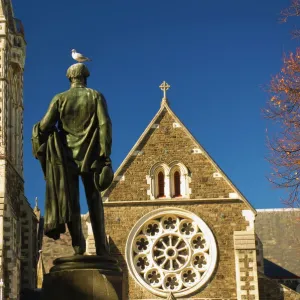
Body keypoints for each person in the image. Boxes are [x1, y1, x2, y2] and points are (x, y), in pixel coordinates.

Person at [32, 63, 112, 256]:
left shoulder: (60, 99)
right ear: (85, 77)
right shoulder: (96, 96)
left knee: (72, 203)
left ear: (70, 79)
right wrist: (105, 154)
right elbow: (104, 125)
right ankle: (101, 247)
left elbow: (44, 126)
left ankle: (78, 247)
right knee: (95, 201)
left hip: (67, 159)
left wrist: (37, 132)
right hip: (91, 158)